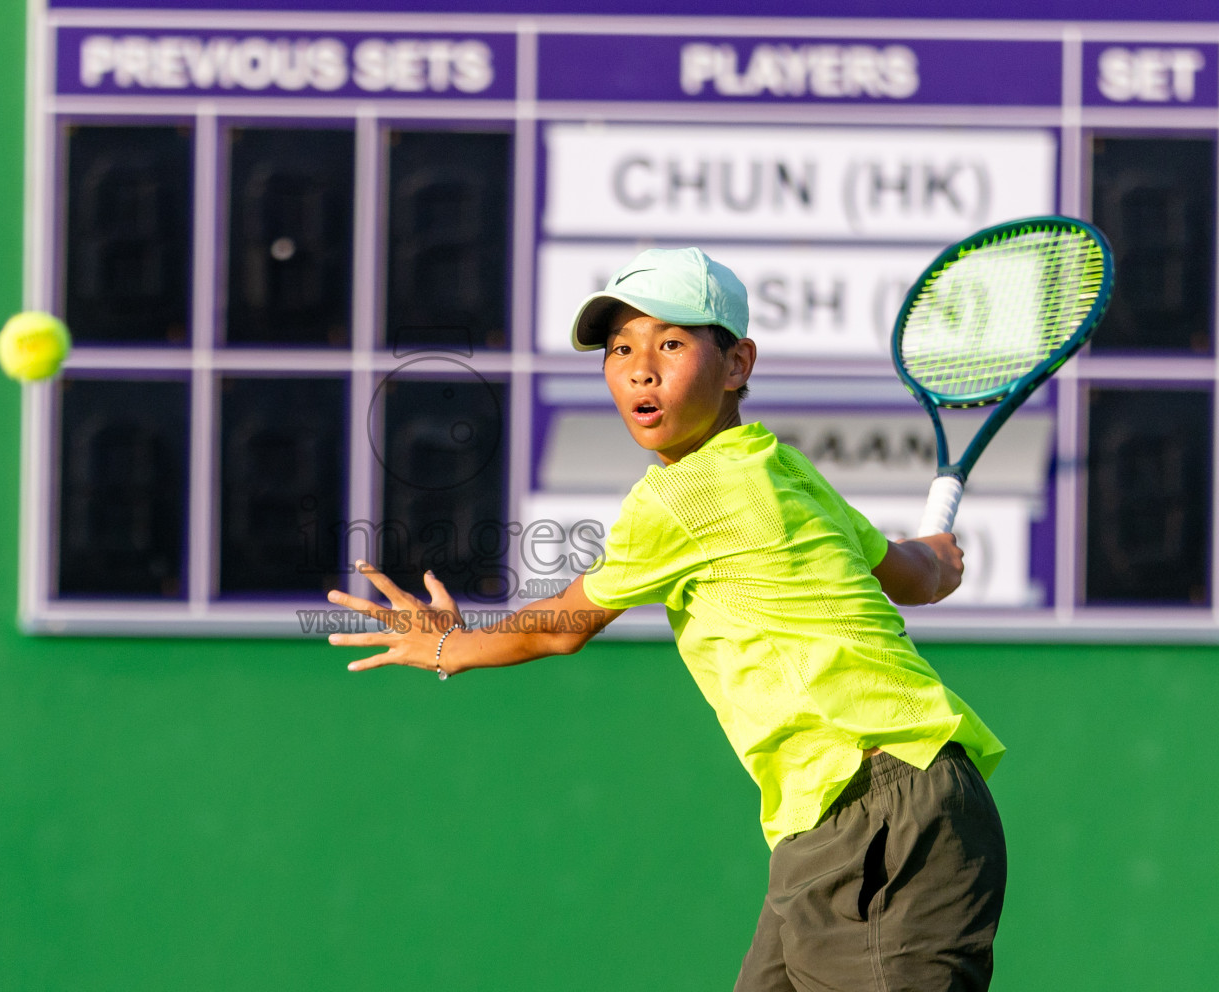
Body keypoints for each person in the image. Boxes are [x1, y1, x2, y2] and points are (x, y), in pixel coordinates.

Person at [326, 247, 1008, 991]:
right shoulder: (781, 468)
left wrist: (449, 647)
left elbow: (561, 626)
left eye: (671, 344)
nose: (639, 369)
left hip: (874, 805)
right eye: (621, 350)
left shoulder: (681, 498)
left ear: (737, 363)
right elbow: (916, 576)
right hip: (861, 807)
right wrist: (940, 557)